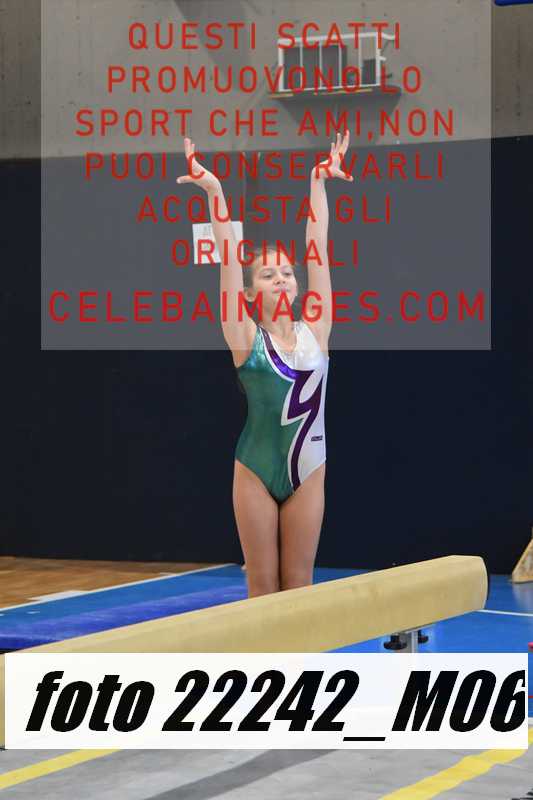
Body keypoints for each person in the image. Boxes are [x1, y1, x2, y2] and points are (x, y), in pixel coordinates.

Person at [177, 132, 353, 597]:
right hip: (254, 469)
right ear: (251, 291)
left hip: (309, 470)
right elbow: (228, 261)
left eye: (287, 272)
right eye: (268, 274)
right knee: (262, 585)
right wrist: (215, 192)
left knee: (298, 584)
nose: (281, 278)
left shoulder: (317, 329)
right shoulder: (244, 337)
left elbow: (318, 245)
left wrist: (318, 181)